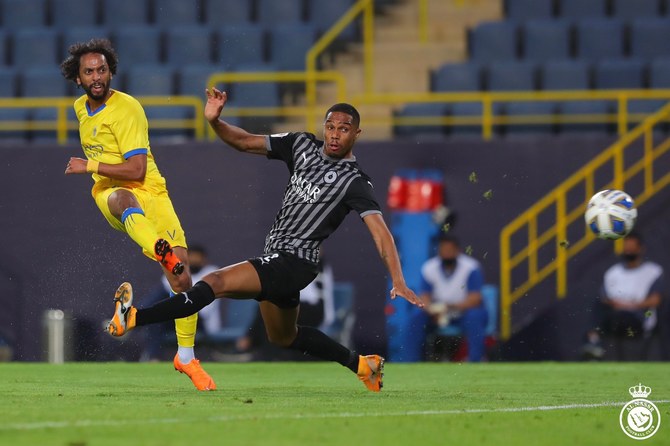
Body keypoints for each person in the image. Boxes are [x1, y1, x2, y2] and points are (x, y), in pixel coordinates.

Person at [106, 88, 423, 392]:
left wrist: (398, 280)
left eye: (344, 129)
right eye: (330, 127)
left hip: (295, 261)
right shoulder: (301, 144)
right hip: (281, 260)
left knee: (214, 283)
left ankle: (134, 317)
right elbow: (244, 142)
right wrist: (215, 121)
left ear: (357, 134)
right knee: (284, 336)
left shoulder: (355, 182)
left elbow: (380, 232)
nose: (335, 134)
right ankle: (364, 366)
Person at [60, 39, 215, 390]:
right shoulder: (80, 108)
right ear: (78, 78)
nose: (97, 77)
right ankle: (160, 249)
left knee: (182, 281)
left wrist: (89, 165)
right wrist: (96, 172)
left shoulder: (127, 109)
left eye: (102, 70)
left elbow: (137, 170)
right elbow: (121, 178)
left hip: (151, 189)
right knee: (122, 198)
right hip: (111, 192)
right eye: (89, 72)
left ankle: (186, 358)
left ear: (111, 72)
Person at [582, 232, 664, 360]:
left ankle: (595, 344)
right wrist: (616, 304)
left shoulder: (653, 271)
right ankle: (593, 344)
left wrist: (629, 305)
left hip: (639, 319)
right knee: (599, 306)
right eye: (626, 248)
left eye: (632, 248)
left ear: (640, 249)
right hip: (615, 317)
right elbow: (605, 299)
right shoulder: (613, 272)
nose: (629, 251)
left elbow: (655, 300)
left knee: (622, 316)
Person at [141, 244, 221, 361]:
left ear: (204, 259)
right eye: (191, 257)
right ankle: (154, 357)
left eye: (197, 257)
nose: (194, 260)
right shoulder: (177, 273)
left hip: (201, 321)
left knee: (174, 303)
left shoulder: (211, 273)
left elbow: (205, 310)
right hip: (177, 318)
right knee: (157, 312)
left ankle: (136, 319)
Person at [419, 233, 488, 362]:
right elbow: (424, 297)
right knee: (417, 317)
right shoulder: (429, 268)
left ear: (457, 251)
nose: (446, 254)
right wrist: (431, 310)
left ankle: (475, 360)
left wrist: (449, 306)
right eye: (443, 250)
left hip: (463, 313)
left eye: (449, 250)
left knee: (474, 316)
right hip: (438, 314)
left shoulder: (471, 267)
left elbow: (475, 299)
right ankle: (411, 362)